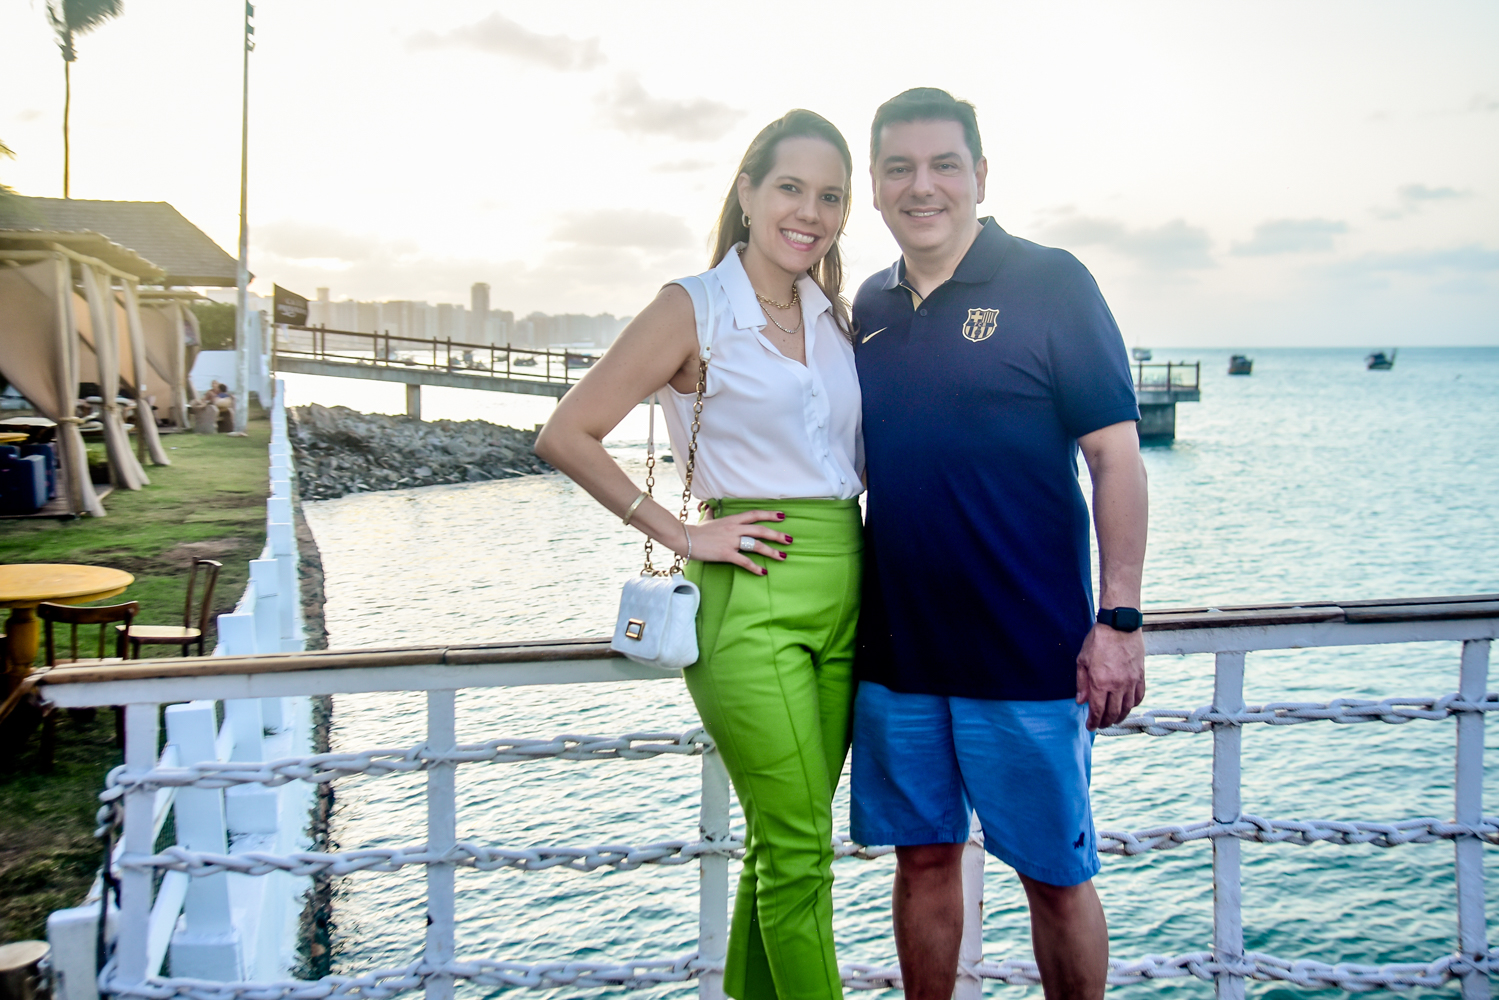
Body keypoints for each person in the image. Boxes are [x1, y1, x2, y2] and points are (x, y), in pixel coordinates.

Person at [535, 109, 864, 1000]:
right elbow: (566, 433)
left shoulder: (834, 316)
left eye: (830, 196)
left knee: (781, 842)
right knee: (800, 852)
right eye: (790, 187)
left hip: (850, 592)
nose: (810, 212)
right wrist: (681, 534)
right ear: (746, 192)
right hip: (750, 595)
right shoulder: (692, 306)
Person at [849, 88, 1149, 1000]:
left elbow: (1115, 460)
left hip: (1028, 650)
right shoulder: (869, 302)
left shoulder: (1052, 282)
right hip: (898, 653)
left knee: (1054, 878)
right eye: (898, 168)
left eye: (944, 164)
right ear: (874, 186)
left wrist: (1119, 621)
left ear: (980, 174)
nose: (922, 186)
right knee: (921, 862)